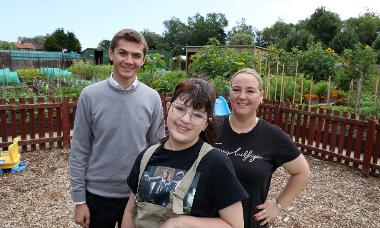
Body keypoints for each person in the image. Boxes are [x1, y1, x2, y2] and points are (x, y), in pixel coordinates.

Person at [69, 28, 165, 228]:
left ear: (143, 60)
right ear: (111, 54)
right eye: (123, 53)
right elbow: (79, 150)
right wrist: (79, 201)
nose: (129, 60)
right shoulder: (90, 95)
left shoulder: (152, 98)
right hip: (97, 196)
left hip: (136, 196)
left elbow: (156, 151)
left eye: (136, 55)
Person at [121, 78, 248, 228]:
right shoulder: (146, 157)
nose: (186, 119)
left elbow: (235, 225)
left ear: (205, 123)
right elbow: (130, 212)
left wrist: (181, 222)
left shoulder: (216, 163)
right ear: (168, 108)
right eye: (180, 109)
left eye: (197, 115)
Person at [214, 68, 311, 228]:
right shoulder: (212, 128)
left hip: (249, 223)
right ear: (229, 93)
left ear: (261, 96)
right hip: (206, 220)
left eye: (250, 91)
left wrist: (278, 206)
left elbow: (302, 172)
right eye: (236, 89)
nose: (242, 96)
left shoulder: (272, 136)